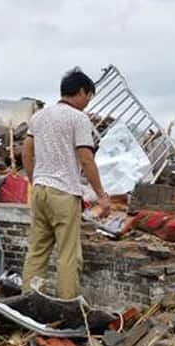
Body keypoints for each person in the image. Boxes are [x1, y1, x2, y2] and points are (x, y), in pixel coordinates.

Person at [21, 67, 111, 299]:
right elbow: (86, 158)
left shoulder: (39, 117)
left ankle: (29, 302)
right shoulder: (78, 118)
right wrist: (101, 195)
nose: (88, 103)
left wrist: (35, 180)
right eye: (89, 97)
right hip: (63, 194)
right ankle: (67, 308)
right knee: (69, 256)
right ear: (81, 92)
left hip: (39, 191)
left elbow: (26, 153)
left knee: (37, 253)